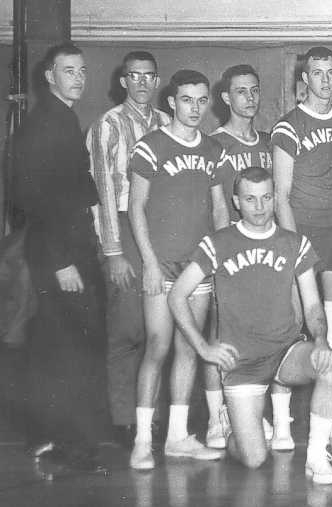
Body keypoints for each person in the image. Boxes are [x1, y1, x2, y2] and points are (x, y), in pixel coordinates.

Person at [168, 166, 332, 484]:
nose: (259, 207)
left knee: (329, 365)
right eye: (250, 199)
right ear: (236, 202)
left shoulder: (294, 243)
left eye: (265, 198)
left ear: (275, 198)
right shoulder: (218, 243)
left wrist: (320, 341)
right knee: (253, 459)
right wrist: (203, 347)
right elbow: (177, 295)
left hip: (285, 351)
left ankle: (317, 458)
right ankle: (232, 423)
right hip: (242, 362)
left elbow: (313, 303)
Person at [12, 42, 107, 474]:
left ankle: (59, 439)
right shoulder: (46, 123)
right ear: (50, 75)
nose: (79, 78)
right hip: (61, 255)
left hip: (70, 250)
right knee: (71, 349)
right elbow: (36, 199)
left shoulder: (62, 118)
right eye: (69, 71)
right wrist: (62, 261)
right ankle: (74, 445)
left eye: (82, 70)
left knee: (63, 346)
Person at [127, 69, 229, 469]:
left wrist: (222, 259)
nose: (195, 108)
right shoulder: (150, 146)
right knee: (158, 346)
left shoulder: (214, 150)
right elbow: (136, 207)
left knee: (189, 347)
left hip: (197, 267)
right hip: (161, 263)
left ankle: (177, 437)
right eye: (187, 100)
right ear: (171, 101)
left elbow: (220, 207)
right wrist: (150, 262)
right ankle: (141, 440)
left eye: (202, 100)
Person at [272, 47, 332, 438]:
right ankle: (280, 422)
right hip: (301, 236)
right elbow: (281, 194)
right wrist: (295, 244)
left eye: (331, 73)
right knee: (293, 326)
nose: (325, 80)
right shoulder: (289, 125)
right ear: (305, 78)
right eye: (318, 73)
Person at [86, 51, 170, 449]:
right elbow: (102, 191)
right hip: (121, 226)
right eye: (133, 76)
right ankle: (123, 419)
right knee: (127, 330)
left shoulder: (166, 123)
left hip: (160, 229)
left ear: (157, 82)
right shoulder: (109, 125)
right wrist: (114, 251)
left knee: (159, 330)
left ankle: (151, 416)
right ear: (123, 81)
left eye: (148, 76)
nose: (141, 83)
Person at [207, 64, 277, 449]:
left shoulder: (267, 143)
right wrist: (220, 254)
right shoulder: (214, 142)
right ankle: (219, 417)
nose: (249, 98)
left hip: (265, 253)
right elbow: (217, 206)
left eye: (254, 90)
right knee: (221, 333)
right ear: (225, 97)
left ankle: (251, 412)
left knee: (260, 334)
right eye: (241, 92)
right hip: (230, 252)